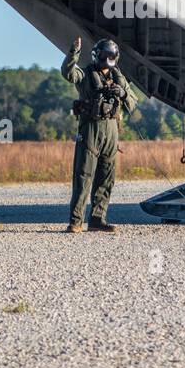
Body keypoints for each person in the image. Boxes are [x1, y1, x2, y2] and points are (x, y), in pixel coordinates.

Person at [61, 36, 135, 233]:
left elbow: (132, 103)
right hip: (90, 129)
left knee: (106, 178)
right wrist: (73, 53)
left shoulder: (118, 78)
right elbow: (68, 73)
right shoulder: (85, 74)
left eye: (110, 55)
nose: (107, 58)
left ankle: (97, 220)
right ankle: (76, 221)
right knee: (83, 175)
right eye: (104, 54)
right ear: (97, 55)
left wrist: (123, 93)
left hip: (111, 130)